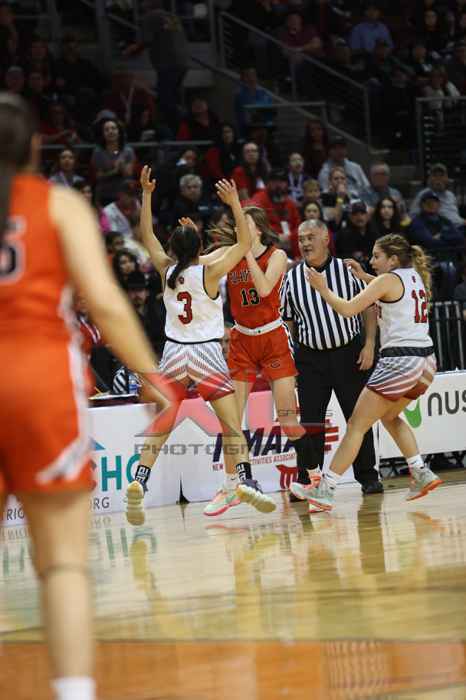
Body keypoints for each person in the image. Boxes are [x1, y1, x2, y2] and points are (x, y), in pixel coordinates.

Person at [0, 94, 173, 700]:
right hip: (42, 383)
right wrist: (151, 374)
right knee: (63, 565)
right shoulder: (58, 205)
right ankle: (73, 692)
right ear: (35, 147)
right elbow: (104, 302)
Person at [125, 167, 276, 520]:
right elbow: (243, 243)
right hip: (206, 351)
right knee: (231, 424)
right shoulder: (210, 272)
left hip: (175, 353)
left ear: (173, 248)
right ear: (199, 247)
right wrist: (235, 203)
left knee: (163, 422)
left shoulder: (166, 270)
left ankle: (139, 480)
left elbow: (146, 234)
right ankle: (246, 480)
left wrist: (146, 194)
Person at [294, 234, 443, 511]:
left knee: (356, 426)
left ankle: (325, 489)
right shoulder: (414, 276)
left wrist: (323, 288)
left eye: (376, 256)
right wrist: (364, 277)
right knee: (389, 416)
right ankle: (420, 471)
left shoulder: (387, 280)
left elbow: (348, 309)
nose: (371, 261)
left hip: (400, 362)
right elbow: (388, 292)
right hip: (426, 363)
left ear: (393, 259)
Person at [204, 204, 319, 497]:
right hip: (242, 340)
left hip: (272, 338)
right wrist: (190, 244)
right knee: (231, 419)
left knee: (287, 419)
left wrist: (244, 253)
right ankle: (233, 484)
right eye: (236, 224)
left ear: (257, 228)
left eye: (244, 223)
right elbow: (198, 263)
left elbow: (265, 288)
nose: (238, 228)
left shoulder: (276, 255)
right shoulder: (229, 252)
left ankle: (313, 477)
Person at [281, 219, 382, 506]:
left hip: (348, 354)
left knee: (358, 418)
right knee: (310, 423)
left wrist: (369, 344)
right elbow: (288, 319)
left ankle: (368, 476)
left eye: (310, 237)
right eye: (301, 238)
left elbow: (369, 307)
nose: (305, 243)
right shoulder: (292, 277)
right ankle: (307, 480)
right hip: (310, 358)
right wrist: (294, 353)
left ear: (326, 239)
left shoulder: (347, 271)